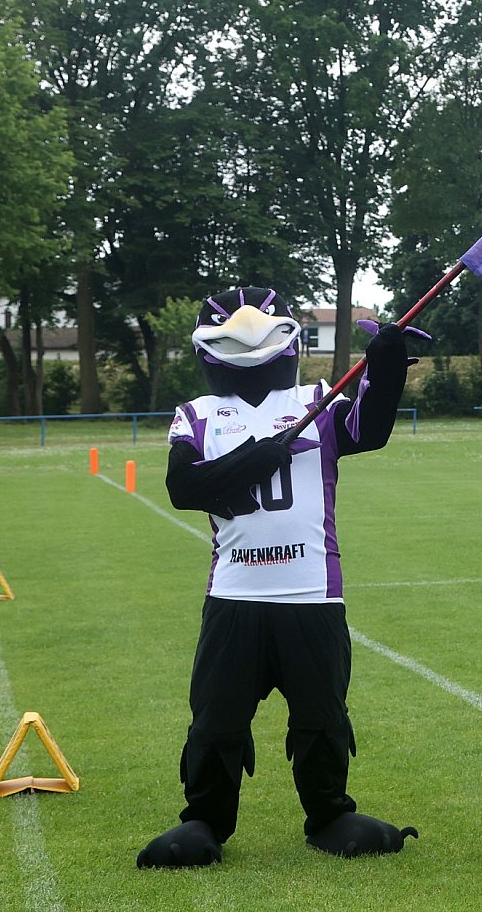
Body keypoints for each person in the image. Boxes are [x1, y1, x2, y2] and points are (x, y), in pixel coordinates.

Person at [138, 287, 420, 868]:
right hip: (234, 597)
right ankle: (204, 819)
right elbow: (184, 488)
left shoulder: (318, 400)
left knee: (322, 715)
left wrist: (386, 368)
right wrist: (258, 456)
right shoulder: (196, 415)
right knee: (216, 718)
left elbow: (371, 429)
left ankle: (330, 813)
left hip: (312, 595)